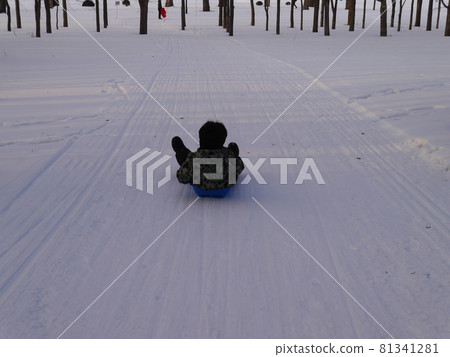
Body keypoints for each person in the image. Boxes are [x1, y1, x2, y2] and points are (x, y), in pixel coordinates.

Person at [172, 121, 244, 196]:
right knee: (232, 148)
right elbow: (240, 167)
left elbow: (182, 178)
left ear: (201, 139)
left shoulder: (194, 158)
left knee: (183, 153)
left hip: (200, 189)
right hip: (224, 189)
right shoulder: (229, 156)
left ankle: (180, 150)